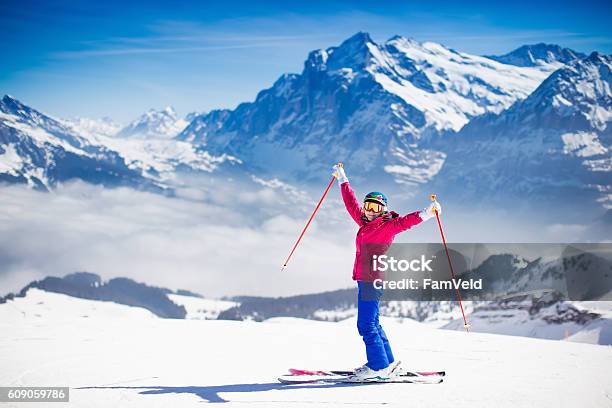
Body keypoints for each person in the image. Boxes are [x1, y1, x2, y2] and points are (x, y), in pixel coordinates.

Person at [332, 163, 441, 381]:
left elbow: (406, 222)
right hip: (367, 280)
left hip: (372, 280)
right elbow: (351, 204)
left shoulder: (387, 226)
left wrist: (427, 213)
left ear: (383, 210)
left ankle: (378, 367)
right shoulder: (364, 222)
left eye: (376, 208)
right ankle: (387, 363)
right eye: (368, 207)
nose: (370, 211)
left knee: (365, 324)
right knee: (373, 323)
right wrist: (342, 180)